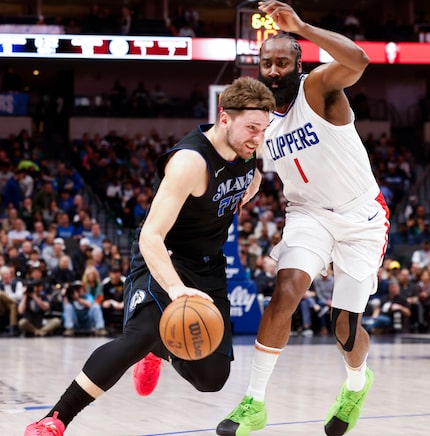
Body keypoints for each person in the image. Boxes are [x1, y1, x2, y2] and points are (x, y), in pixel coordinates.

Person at [24, 76, 276, 435]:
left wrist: (246, 191)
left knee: (212, 379)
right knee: (137, 336)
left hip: (208, 266)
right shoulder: (190, 162)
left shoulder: (249, 155)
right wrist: (176, 290)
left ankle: (161, 349)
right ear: (224, 118)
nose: (258, 137)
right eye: (252, 127)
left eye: (264, 129)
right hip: (164, 257)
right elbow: (150, 237)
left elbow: (244, 185)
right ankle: (54, 419)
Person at [216, 3, 390, 436]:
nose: (273, 70)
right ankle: (254, 402)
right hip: (308, 215)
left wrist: (303, 27)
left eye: (281, 62)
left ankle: (356, 383)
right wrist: (249, 177)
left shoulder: (318, 90)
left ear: (298, 64)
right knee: (286, 290)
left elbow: (359, 61)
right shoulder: (261, 125)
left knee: (344, 328)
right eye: (266, 63)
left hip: (361, 216)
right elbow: (247, 161)